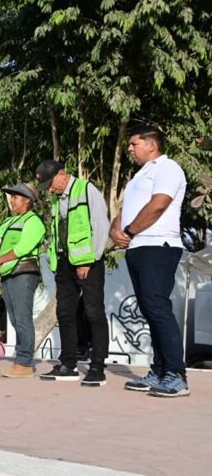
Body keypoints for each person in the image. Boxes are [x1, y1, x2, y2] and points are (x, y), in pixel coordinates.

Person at [110, 124, 189, 398]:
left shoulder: (167, 168)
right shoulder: (137, 177)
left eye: (134, 144)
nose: (130, 149)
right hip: (138, 247)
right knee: (149, 309)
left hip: (159, 244)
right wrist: (115, 230)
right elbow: (124, 210)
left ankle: (176, 375)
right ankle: (159, 370)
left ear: (151, 145)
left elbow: (159, 204)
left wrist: (130, 231)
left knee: (157, 306)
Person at [35, 160, 110, 386]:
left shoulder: (86, 189)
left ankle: (97, 366)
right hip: (65, 263)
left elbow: (100, 225)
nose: (49, 189)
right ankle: (68, 363)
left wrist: (90, 259)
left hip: (88, 262)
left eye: (50, 183)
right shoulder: (58, 199)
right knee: (65, 313)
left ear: (62, 173)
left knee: (93, 312)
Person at [0, 183, 45, 378]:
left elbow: (23, 247)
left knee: (22, 318)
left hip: (23, 273)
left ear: (28, 200)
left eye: (16, 196)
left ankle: (24, 362)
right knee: (14, 319)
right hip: (7, 273)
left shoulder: (34, 221)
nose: (12, 200)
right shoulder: (7, 222)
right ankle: (21, 360)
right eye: (11, 196)